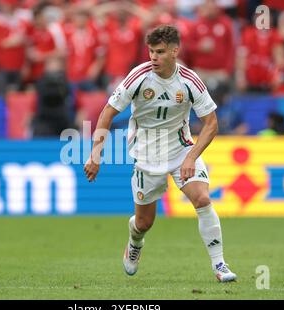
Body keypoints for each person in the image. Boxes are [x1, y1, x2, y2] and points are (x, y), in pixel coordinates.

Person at [83, 25, 237, 282]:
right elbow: (107, 113)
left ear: (175, 51)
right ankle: (135, 242)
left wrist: (191, 157)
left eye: (160, 52)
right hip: (147, 155)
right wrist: (95, 154)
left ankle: (220, 265)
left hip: (181, 149)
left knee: (201, 199)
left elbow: (211, 124)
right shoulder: (138, 77)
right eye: (151, 51)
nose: (153, 57)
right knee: (144, 222)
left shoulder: (189, 81)